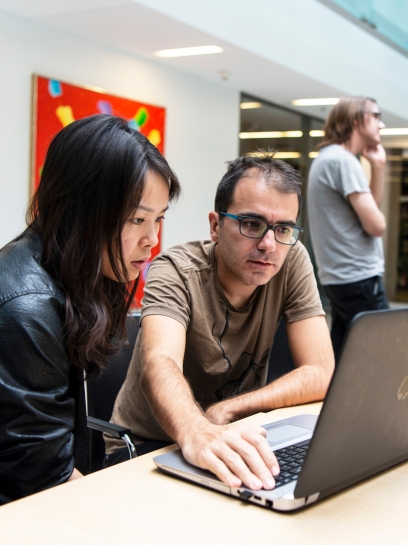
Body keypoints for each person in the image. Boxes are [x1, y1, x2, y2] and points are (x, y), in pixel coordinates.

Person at [106, 153, 334, 491]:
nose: (269, 244)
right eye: (251, 224)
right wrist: (199, 430)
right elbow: (159, 362)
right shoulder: (175, 271)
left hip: (235, 434)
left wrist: (226, 411)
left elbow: (320, 372)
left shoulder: (291, 258)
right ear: (216, 226)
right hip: (149, 447)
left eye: (283, 228)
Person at [0, 114, 181, 504]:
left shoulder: (71, 275)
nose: (153, 240)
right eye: (137, 219)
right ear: (83, 210)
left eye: (159, 219)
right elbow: (44, 485)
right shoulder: (27, 308)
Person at [307, 96, 389, 356]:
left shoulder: (328, 158)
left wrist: (378, 167)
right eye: (376, 116)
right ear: (356, 120)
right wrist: (379, 220)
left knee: (342, 358)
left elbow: (366, 212)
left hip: (341, 277)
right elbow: (376, 225)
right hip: (359, 277)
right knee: (386, 354)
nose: (381, 124)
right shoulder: (343, 161)